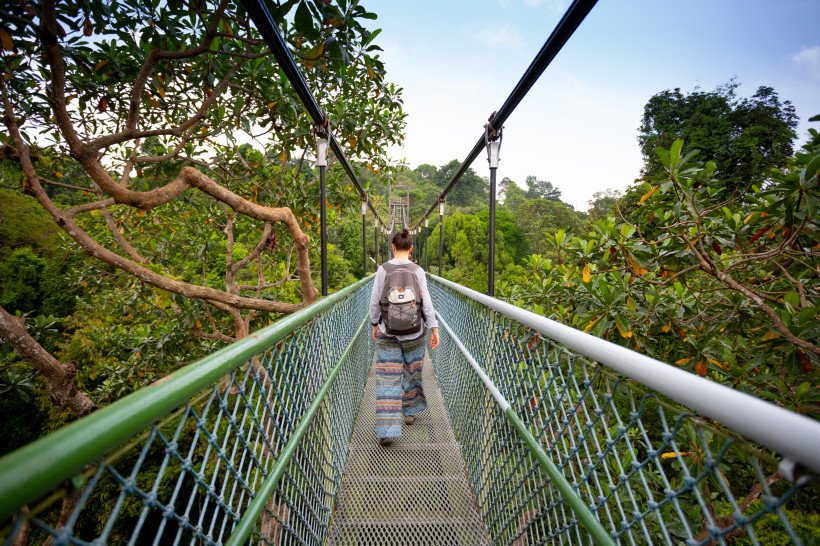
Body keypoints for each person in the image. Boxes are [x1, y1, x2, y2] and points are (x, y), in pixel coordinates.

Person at [369, 228, 439, 447]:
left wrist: (375, 324)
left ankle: (386, 431)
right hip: (415, 332)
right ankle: (409, 412)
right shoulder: (418, 271)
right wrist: (434, 327)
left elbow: (374, 301)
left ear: (393, 247)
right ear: (411, 248)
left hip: (387, 331)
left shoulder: (382, 269)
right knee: (412, 371)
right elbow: (426, 302)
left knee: (388, 378)